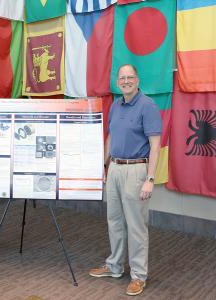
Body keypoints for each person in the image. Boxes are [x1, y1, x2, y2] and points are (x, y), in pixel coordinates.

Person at [89, 64, 161, 296]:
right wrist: (105, 164)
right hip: (116, 169)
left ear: (137, 80)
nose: (126, 81)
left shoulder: (147, 106)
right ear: (117, 81)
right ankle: (115, 266)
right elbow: (111, 136)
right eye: (122, 78)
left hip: (136, 171)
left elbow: (155, 146)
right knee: (115, 221)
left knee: (136, 226)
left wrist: (150, 178)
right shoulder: (116, 105)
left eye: (130, 77)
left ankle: (139, 275)